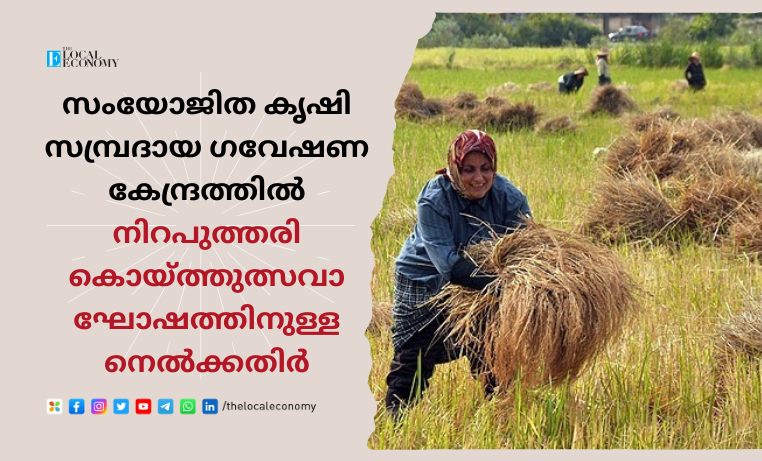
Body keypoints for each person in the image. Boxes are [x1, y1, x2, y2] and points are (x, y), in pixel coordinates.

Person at [385, 129, 532, 418]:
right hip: (424, 279)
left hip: (482, 282)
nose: (478, 178)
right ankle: (394, 421)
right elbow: (448, 265)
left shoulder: (508, 197)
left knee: (491, 348)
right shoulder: (435, 198)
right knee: (414, 357)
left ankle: (500, 416)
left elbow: (527, 248)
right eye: (468, 170)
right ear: (454, 168)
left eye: (485, 168)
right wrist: (503, 286)